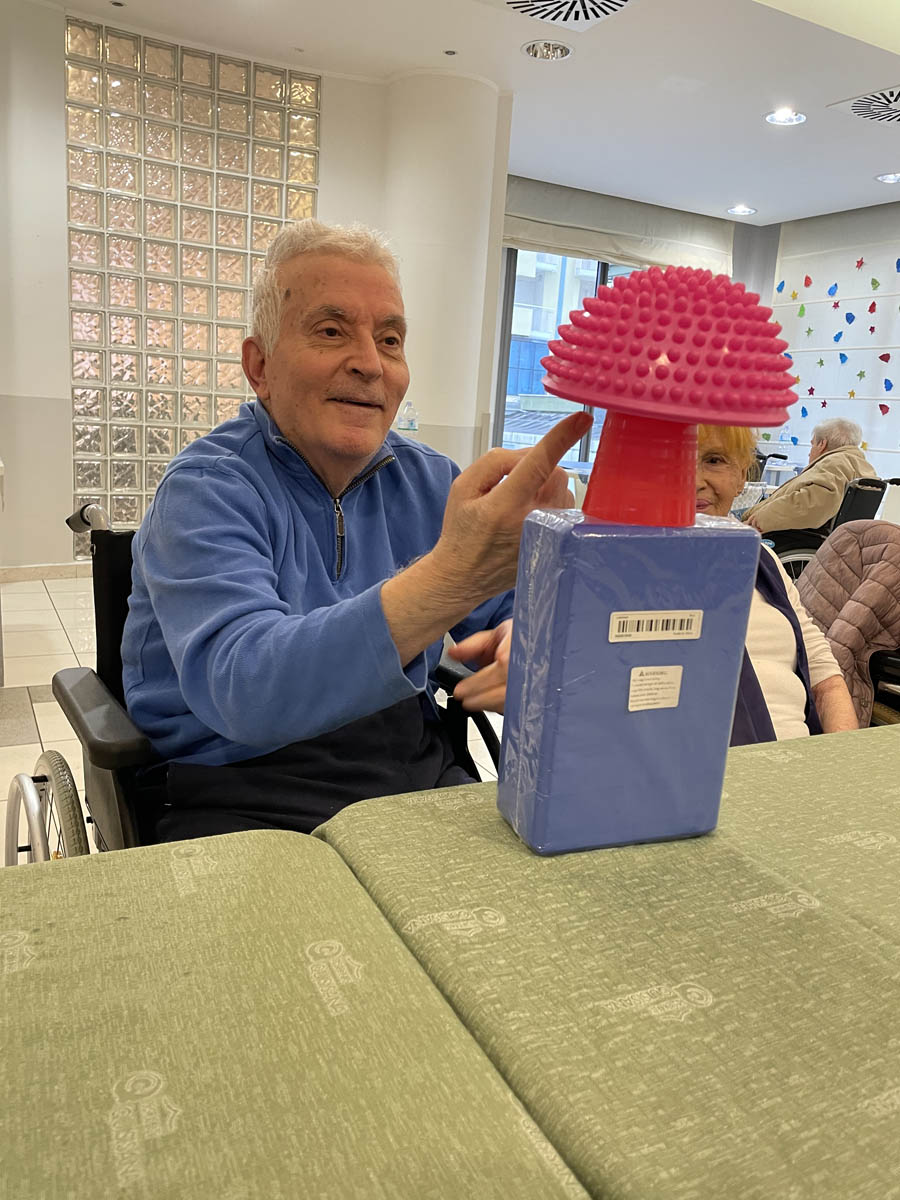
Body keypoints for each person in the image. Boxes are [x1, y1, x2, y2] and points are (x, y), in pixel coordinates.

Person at [122, 219, 590, 841]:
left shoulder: (430, 482)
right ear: (260, 367)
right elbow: (243, 686)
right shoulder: (206, 489)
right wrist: (448, 578)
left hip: (407, 767)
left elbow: (514, 613)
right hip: (238, 784)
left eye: (390, 340)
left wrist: (526, 636)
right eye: (331, 331)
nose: (371, 364)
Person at [696, 425, 859, 743]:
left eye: (714, 460)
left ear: (742, 476)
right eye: (672, 459)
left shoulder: (763, 561)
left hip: (800, 758)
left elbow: (827, 680)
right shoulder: (624, 566)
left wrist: (845, 757)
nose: (694, 480)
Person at [742, 418, 875, 534]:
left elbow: (813, 504)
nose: (809, 453)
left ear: (822, 444)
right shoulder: (861, 466)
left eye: (812, 444)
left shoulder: (834, 464)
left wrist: (760, 519)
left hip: (777, 530)